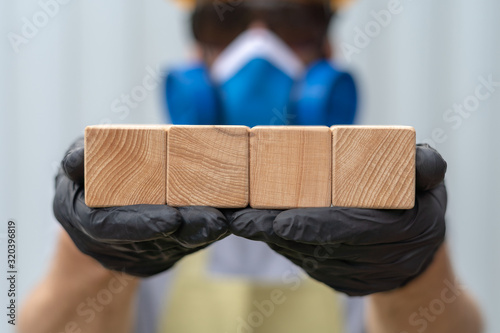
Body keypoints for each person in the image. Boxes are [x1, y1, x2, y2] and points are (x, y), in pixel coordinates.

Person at [19, 0, 484, 332]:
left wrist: (412, 276)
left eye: (294, 23)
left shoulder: (378, 194)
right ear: (195, 56)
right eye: (226, 23)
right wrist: (94, 260)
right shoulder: (134, 185)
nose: (258, 51)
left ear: (328, 55)